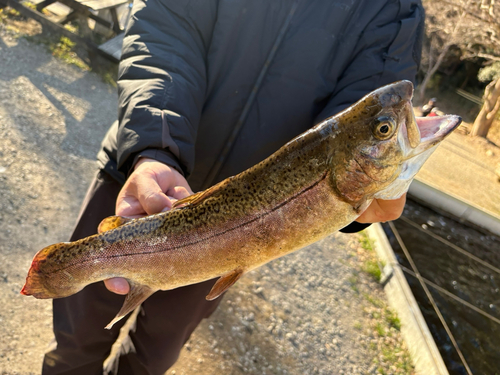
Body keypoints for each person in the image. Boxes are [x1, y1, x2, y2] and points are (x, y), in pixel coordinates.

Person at [42, 0, 425, 374]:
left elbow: (355, 125)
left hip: (238, 237)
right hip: (139, 179)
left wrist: (359, 205)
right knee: (75, 340)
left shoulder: (393, 9)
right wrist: (154, 147)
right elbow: (164, 23)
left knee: (152, 357)